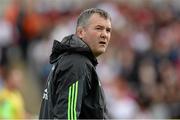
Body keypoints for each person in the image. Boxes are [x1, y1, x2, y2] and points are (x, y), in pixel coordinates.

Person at [39, 8, 112, 119]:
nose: (104, 35)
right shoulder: (77, 64)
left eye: (108, 30)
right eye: (99, 28)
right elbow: (67, 116)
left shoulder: (73, 60)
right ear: (81, 32)